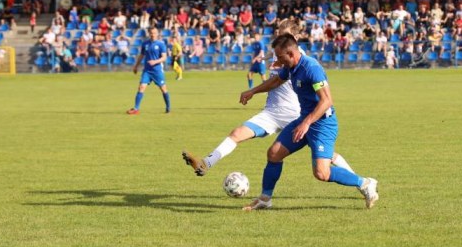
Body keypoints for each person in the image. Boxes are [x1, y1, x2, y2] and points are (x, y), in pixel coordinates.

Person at [181, 20, 355, 178]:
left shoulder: (297, 58)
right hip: (271, 113)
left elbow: (279, 79)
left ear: (294, 38)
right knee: (237, 133)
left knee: (325, 156)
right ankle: (206, 163)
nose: (279, 38)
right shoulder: (278, 52)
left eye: (283, 35)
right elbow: (274, 66)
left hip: (294, 115)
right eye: (278, 34)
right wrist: (254, 87)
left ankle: (359, 181)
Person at [236, 33, 379, 211]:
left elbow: (326, 101)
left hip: (322, 124)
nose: (277, 61)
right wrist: (253, 91)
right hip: (305, 120)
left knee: (321, 173)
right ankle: (265, 198)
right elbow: (276, 81)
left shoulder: (312, 68)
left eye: (280, 57)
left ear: (291, 54)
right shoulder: (291, 67)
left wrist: (307, 123)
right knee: (274, 153)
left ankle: (365, 183)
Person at [127, 28, 171, 115]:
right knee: (141, 87)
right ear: (149, 33)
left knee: (163, 89)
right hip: (147, 71)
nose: (153, 34)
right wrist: (136, 66)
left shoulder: (161, 44)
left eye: (154, 33)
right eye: (151, 33)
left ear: (157, 33)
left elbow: (164, 57)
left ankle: (168, 107)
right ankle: (136, 109)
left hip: (157, 71)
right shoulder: (145, 44)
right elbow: (141, 55)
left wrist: (155, 61)